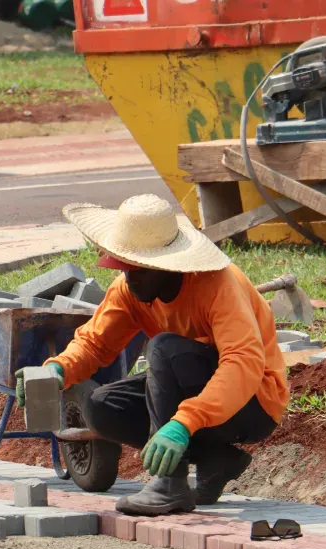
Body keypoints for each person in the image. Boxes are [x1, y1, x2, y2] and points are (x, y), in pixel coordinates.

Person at [15, 194, 289, 516]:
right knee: (102, 406)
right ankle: (216, 459)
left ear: (167, 265)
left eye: (139, 270)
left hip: (254, 402)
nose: (129, 278)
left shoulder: (217, 285)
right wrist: (58, 370)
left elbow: (242, 365)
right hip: (200, 389)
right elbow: (95, 343)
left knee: (162, 348)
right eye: (124, 267)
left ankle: (169, 484)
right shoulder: (129, 289)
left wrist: (185, 422)